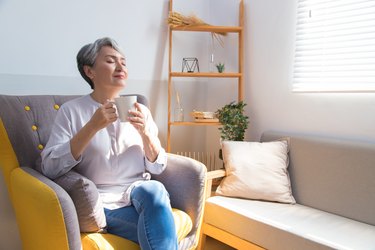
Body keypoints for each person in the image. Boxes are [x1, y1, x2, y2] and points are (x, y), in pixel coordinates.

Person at [41, 37, 178, 250]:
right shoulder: (71, 111)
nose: (120, 66)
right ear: (90, 71)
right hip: (104, 203)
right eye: (111, 60)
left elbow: (157, 166)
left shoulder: (141, 110)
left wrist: (145, 134)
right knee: (162, 233)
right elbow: (50, 166)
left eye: (123, 61)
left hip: (141, 192)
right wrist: (92, 127)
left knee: (155, 189)